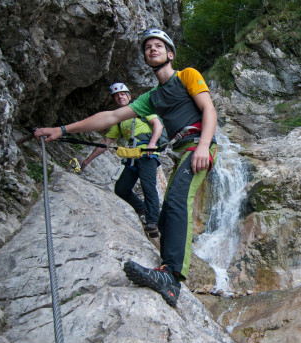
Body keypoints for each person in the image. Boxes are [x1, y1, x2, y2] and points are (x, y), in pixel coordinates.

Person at [35, 29, 218, 307]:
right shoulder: (151, 98)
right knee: (168, 211)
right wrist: (62, 129)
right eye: (147, 48)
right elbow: (110, 116)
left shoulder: (187, 75)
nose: (152, 50)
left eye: (158, 46)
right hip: (183, 150)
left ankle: (171, 278)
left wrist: (204, 145)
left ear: (170, 54)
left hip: (199, 147)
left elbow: (209, 110)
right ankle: (167, 274)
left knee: (178, 200)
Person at [79, 82, 163, 238]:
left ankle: (153, 222)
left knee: (148, 186)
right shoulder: (118, 121)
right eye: (117, 96)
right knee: (121, 189)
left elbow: (158, 125)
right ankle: (142, 208)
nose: (120, 97)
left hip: (147, 154)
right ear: (114, 100)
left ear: (129, 96)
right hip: (132, 157)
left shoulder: (142, 109)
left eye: (123, 94)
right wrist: (87, 160)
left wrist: (152, 144)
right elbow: (105, 143)